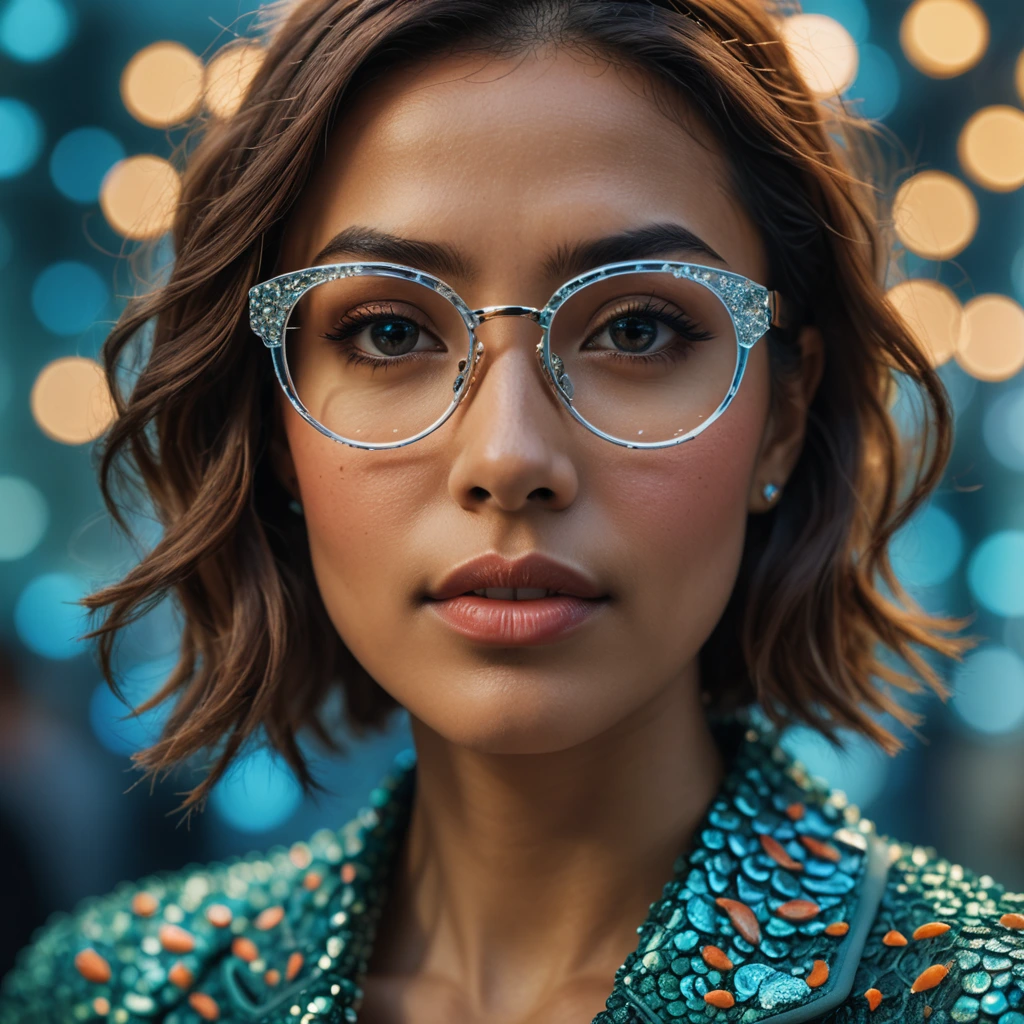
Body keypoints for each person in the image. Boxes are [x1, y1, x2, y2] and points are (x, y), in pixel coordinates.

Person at [3, 0, 1022, 1021]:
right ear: (274, 421)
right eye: (390, 332)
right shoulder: (106, 995)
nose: (508, 456)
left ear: (781, 416)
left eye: (634, 327)